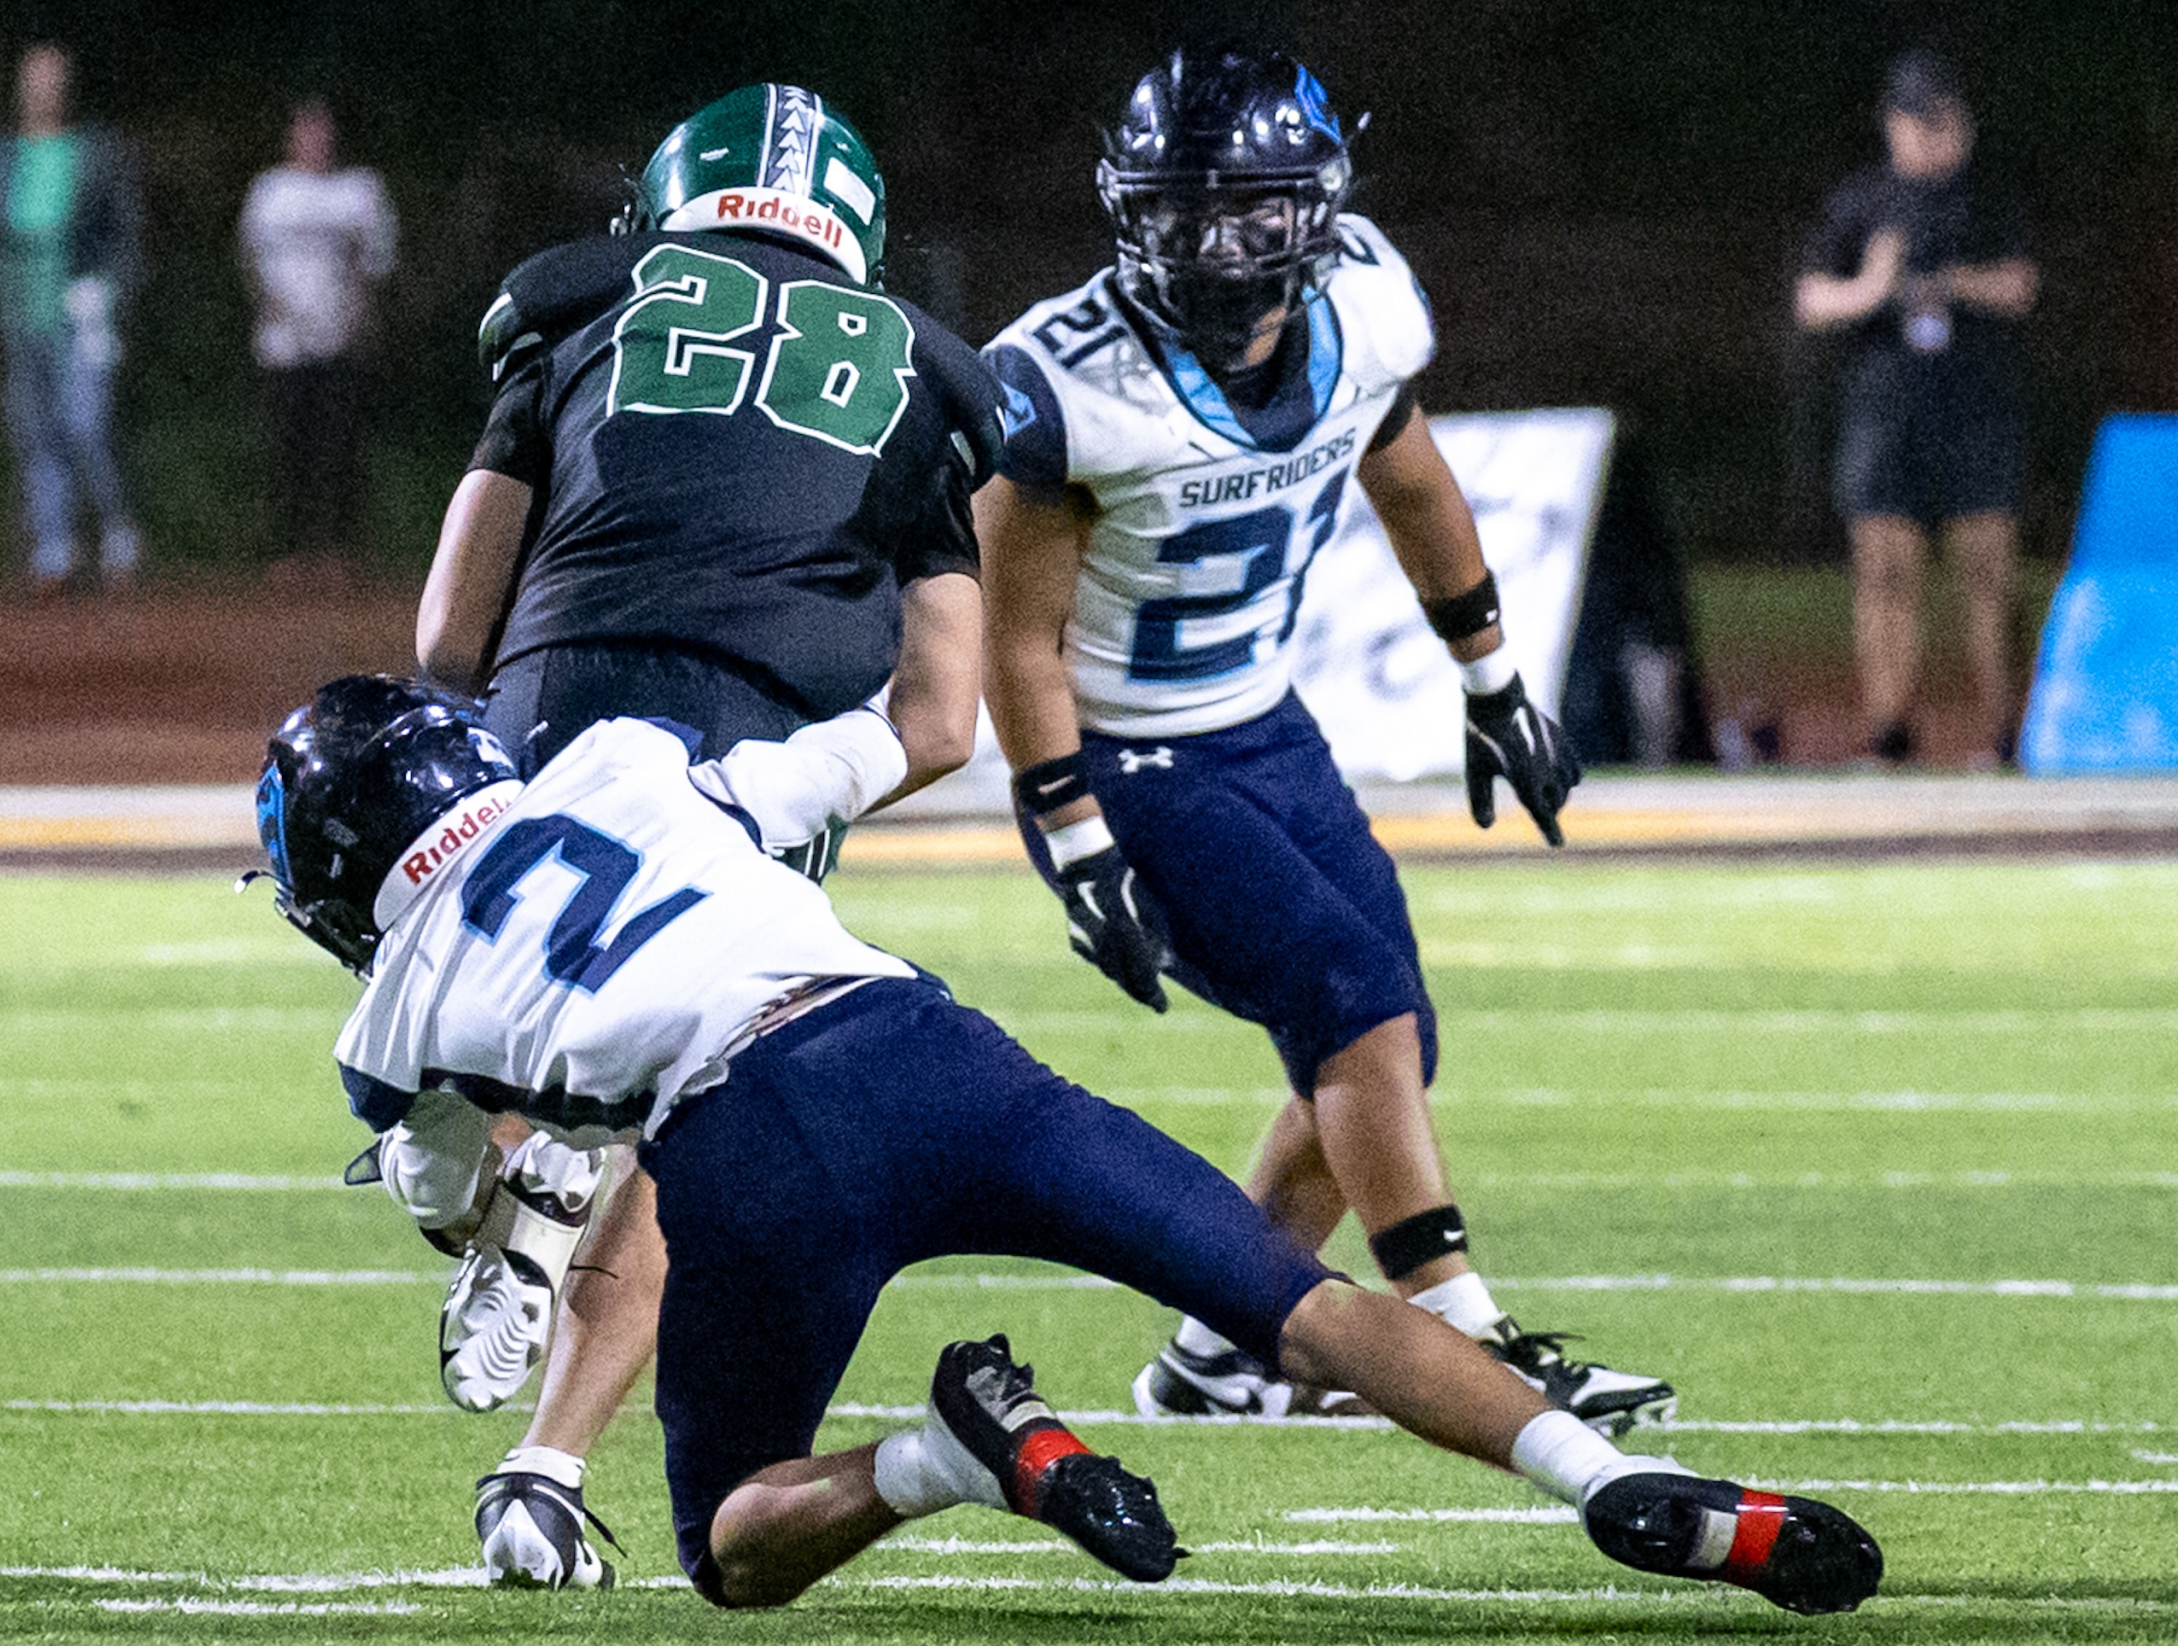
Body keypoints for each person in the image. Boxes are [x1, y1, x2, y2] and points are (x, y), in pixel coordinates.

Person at [251, 673, 1884, 1616]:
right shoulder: (620, 763)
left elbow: (456, 1201)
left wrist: (478, 1155)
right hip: (933, 1048)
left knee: (731, 1545)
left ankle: (950, 1457)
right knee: (1305, 1306)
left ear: (336, 871)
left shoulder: (390, 1017)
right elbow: (867, 749)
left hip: (751, 1143)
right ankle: (1610, 1477)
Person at [975, 48, 1675, 1432]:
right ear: (1130, 210)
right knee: (1353, 1004)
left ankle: (1216, 1353)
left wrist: (1494, 683)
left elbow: (1413, 483)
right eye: (1183, 213)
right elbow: (1017, 639)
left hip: (1264, 725)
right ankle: (1463, 1334)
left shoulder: (1363, 306)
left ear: (1316, 206)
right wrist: (1073, 834)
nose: (1218, 246)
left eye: (1251, 209)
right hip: (1125, 754)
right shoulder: (1065, 379)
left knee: (1387, 1037)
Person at [401, 83, 1003, 1585]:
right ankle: (545, 1469)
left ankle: (510, 1174)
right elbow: (944, 719)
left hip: (564, 704)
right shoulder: (929, 376)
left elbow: (450, 634)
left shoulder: (577, 302)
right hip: (761, 749)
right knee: (689, 1110)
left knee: (486, 1033)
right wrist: (795, 781)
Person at [1794, 51, 2037, 768]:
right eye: (1918, 121)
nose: (1933, 135)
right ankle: (1889, 736)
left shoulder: (1989, 200)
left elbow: (2022, 286)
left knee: (1989, 573)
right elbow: (1811, 299)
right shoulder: (1860, 202)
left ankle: (2008, 739)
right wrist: (1872, 289)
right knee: (1885, 572)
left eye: (1945, 120)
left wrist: (1954, 281)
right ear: (1891, 123)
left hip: (1975, 410)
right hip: (1885, 413)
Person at [0, 43, 144, 597]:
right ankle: (53, 549)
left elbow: (126, 234)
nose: (43, 90)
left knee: (88, 425)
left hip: (80, 312)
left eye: (53, 80)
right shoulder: (2, 156)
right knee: (35, 432)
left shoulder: (95, 151)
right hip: (21, 311)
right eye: (35, 79)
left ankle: (118, 536)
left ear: (67, 87)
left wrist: (110, 294)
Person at [238, 99, 398, 577]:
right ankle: (290, 552)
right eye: (307, 131)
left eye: (323, 131)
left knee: (341, 447)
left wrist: (357, 319)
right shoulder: (271, 190)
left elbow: (376, 265)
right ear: (292, 136)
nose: (316, 140)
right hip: (284, 346)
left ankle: (340, 550)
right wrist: (278, 310)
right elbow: (250, 260)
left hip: (341, 342)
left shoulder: (360, 190)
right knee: (290, 447)